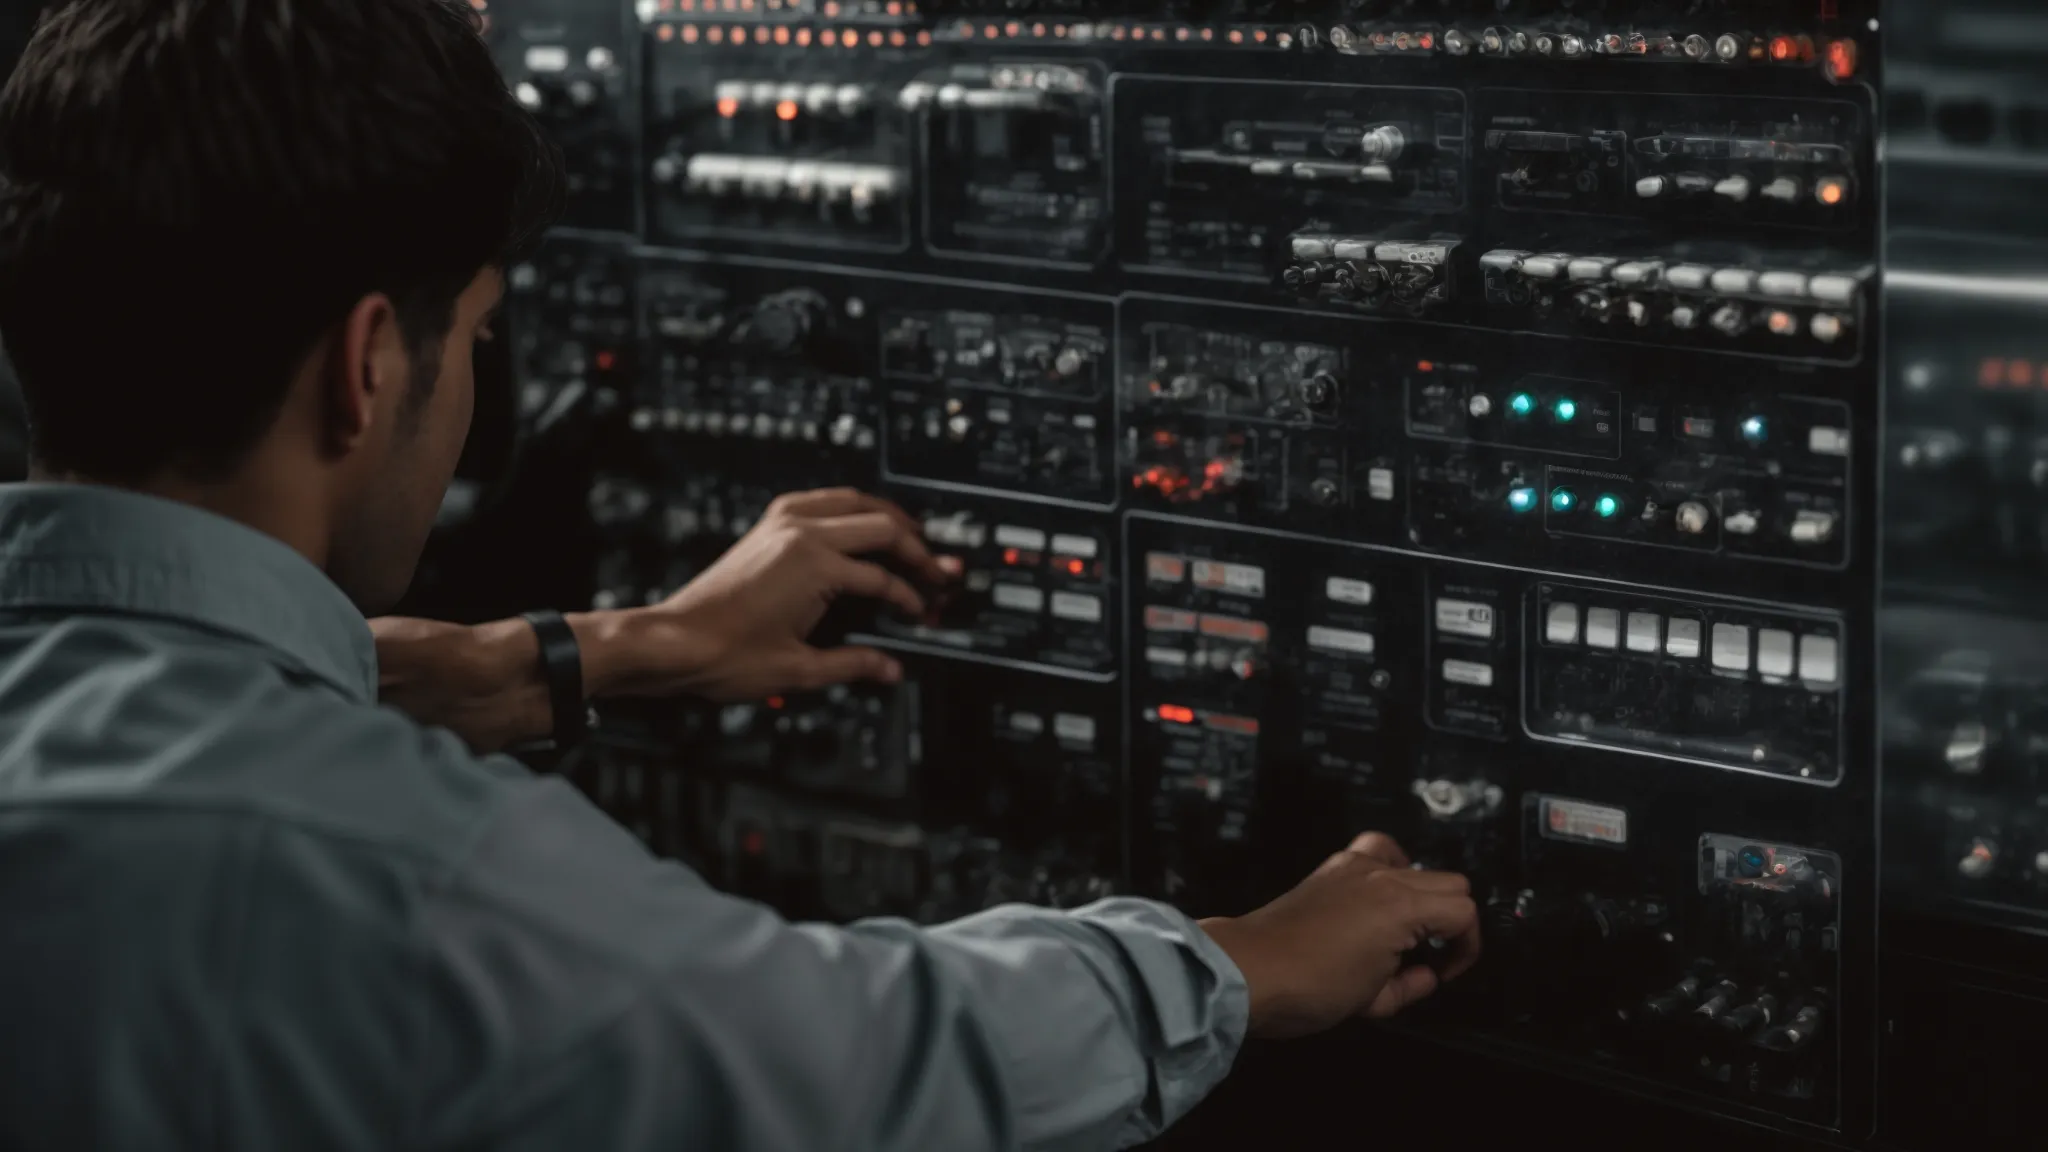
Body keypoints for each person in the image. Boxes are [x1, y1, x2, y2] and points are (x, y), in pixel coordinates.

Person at [0, 1, 1482, 1149]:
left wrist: (573, 657)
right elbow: (856, 1071)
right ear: (370, 364)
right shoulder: (411, 872)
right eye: (484, 335)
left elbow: (150, 696)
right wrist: (1235, 965)